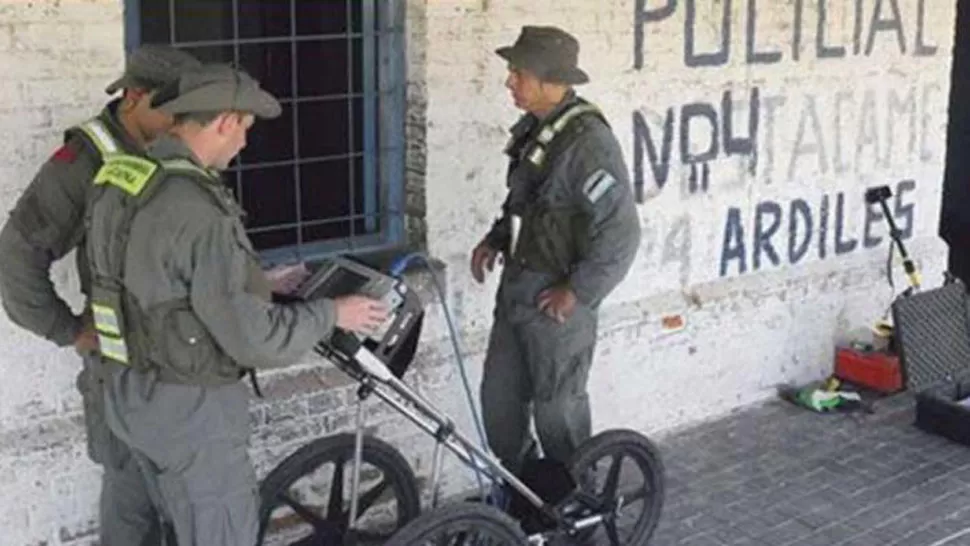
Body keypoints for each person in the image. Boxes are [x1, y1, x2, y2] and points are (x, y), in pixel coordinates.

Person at [83, 63, 389, 546]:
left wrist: (255, 281)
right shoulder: (199, 210)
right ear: (225, 121)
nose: (244, 143)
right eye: (244, 129)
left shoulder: (121, 180)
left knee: (136, 531)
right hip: (190, 409)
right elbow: (253, 340)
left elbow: (155, 281)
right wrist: (333, 314)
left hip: (125, 392)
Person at [0, 44, 203, 545]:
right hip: (122, 367)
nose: (185, 121)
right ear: (134, 96)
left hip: (178, 361)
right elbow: (16, 255)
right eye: (174, 109)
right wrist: (67, 329)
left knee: (182, 499)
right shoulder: (85, 159)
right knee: (133, 501)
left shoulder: (172, 149)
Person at [471, 26, 642, 474]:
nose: (509, 81)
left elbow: (621, 233)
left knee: (557, 412)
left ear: (550, 80)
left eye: (518, 72)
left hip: (557, 301)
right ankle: (529, 495)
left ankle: (578, 509)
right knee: (499, 403)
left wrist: (578, 291)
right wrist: (495, 237)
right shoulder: (536, 129)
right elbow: (526, 202)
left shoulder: (587, 143)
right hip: (517, 291)